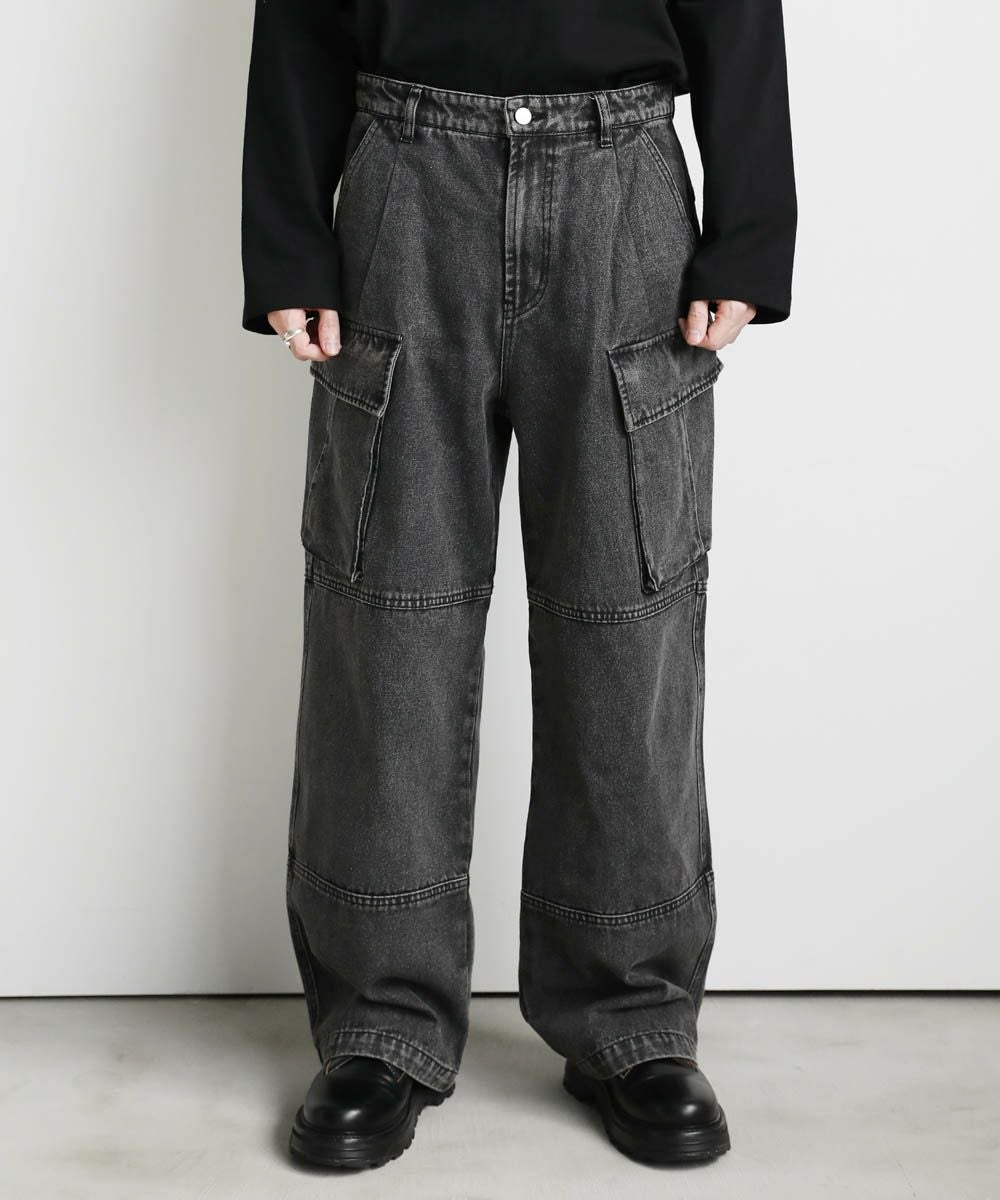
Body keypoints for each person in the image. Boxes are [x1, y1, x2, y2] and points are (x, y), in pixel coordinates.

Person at [241, 0, 795, 1171]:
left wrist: (748, 230)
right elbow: (298, 14)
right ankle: (380, 1020)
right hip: (404, 182)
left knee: (627, 617)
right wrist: (288, 235)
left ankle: (631, 1013)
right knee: (384, 620)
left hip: (623, 188)